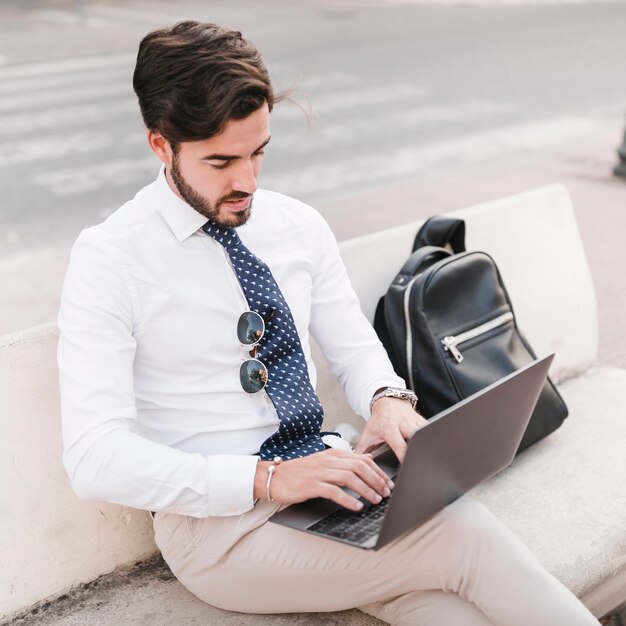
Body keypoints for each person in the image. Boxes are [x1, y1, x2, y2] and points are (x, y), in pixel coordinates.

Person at [57, 20, 599, 626]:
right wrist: (266, 480)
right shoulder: (110, 259)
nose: (247, 182)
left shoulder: (295, 226)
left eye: (259, 152)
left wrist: (388, 398)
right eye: (221, 161)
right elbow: (94, 458)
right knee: (461, 534)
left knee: (446, 610)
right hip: (220, 533)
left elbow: (353, 346)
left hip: (330, 481)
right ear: (161, 146)